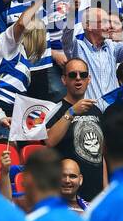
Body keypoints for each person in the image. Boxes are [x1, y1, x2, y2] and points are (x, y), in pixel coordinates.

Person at [45, 58, 105, 199]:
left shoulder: (96, 111)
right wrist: (71, 112)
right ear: (64, 80)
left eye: (83, 75)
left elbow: (102, 155)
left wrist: (105, 188)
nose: (78, 79)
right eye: (72, 75)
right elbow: (49, 141)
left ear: (88, 79)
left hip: (96, 192)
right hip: (67, 192)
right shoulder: (55, 109)